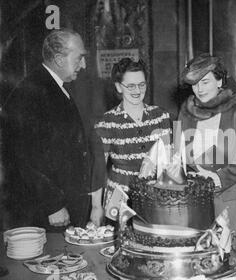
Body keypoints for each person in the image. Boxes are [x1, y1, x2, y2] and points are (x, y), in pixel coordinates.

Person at [2, 28, 104, 231]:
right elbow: (22, 157)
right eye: (79, 58)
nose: (83, 65)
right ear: (58, 59)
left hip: (64, 207)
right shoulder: (31, 93)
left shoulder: (52, 86)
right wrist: (53, 205)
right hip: (48, 213)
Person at [178, 53, 236, 236]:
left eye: (205, 82)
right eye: (195, 84)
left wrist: (218, 179)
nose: (199, 89)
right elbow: (177, 154)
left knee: (235, 253)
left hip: (231, 198)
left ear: (219, 81)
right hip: (195, 199)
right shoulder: (185, 111)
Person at [93, 57, 172, 215]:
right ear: (118, 87)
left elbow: (168, 162)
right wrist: (96, 207)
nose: (137, 91)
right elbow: (98, 169)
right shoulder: (107, 122)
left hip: (154, 197)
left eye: (141, 84)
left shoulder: (161, 116)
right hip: (118, 199)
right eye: (130, 86)